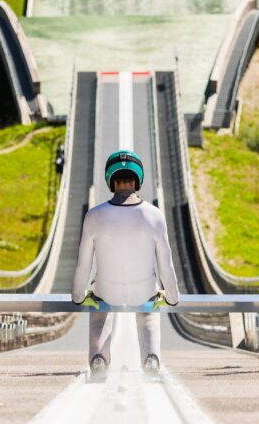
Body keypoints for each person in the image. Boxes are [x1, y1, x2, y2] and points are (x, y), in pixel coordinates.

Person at [72, 150, 180, 376]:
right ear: (138, 179)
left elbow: (83, 266)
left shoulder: (94, 215)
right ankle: (151, 357)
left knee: (99, 307)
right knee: (149, 312)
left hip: (108, 292)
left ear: (110, 180)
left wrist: (78, 297)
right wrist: (172, 298)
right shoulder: (154, 215)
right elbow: (166, 265)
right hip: (142, 292)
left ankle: (98, 357)